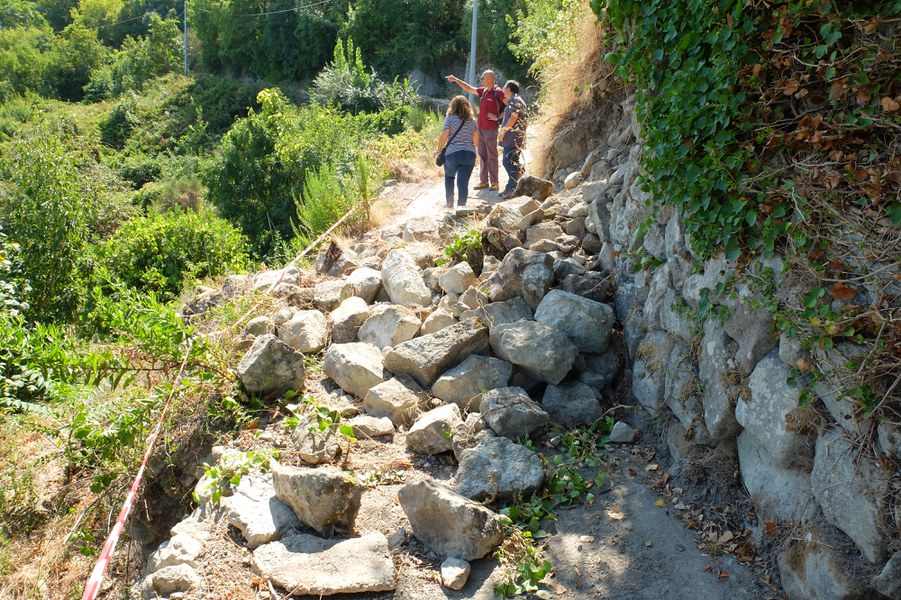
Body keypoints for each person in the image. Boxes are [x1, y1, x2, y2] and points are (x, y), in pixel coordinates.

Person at [445, 70, 505, 191]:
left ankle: (495, 182)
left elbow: (509, 106)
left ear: (489, 79)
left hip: (491, 129)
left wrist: (498, 117)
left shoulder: (498, 92)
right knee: (482, 154)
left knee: (492, 155)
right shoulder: (484, 91)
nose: (481, 80)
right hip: (480, 128)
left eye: (482, 78)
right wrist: (456, 80)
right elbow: (469, 89)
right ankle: (483, 181)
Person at [434, 95, 479, 208]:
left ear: (453, 106)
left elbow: (444, 135)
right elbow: (476, 139)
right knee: (463, 181)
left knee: (449, 177)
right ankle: (461, 205)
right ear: (467, 106)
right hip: (469, 153)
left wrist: (438, 149)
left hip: (452, 153)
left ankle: (449, 203)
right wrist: (473, 148)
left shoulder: (450, 119)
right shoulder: (472, 121)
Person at [498, 80, 527, 199]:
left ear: (509, 89)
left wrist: (503, 131)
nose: (503, 89)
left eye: (504, 87)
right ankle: (514, 186)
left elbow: (514, 116)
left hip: (512, 138)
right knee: (513, 161)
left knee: (507, 162)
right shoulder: (517, 100)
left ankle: (513, 188)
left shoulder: (514, 100)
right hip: (516, 137)